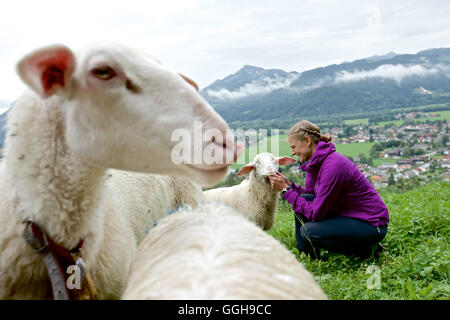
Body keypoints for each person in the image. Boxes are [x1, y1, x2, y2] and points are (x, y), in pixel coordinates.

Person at [268, 120, 389, 259]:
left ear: (307, 140)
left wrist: (285, 190)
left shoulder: (333, 166)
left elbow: (315, 213)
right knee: (304, 200)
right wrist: (290, 185)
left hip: (372, 224)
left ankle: (366, 250)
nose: (293, 152)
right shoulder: (317, 162)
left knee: (308, 231)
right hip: (350, 214)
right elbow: (311, 194)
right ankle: (307, 256)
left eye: (294, 147)